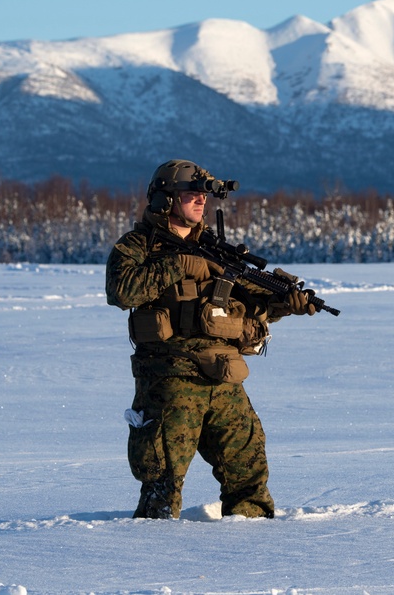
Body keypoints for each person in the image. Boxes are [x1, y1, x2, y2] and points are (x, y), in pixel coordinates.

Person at [105, 159, 315, 519]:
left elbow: (253, 303)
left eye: (204, 195)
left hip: (224, 375)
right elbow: (121, 290)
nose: (201, 201)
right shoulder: (138, 246)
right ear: (165, 200)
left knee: (249, 472)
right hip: (170, 379)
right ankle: (150, 560)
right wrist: (181, 265)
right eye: (191, 194)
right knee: (162, 481)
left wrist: (285, 303)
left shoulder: (219, 253)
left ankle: (253, 547)